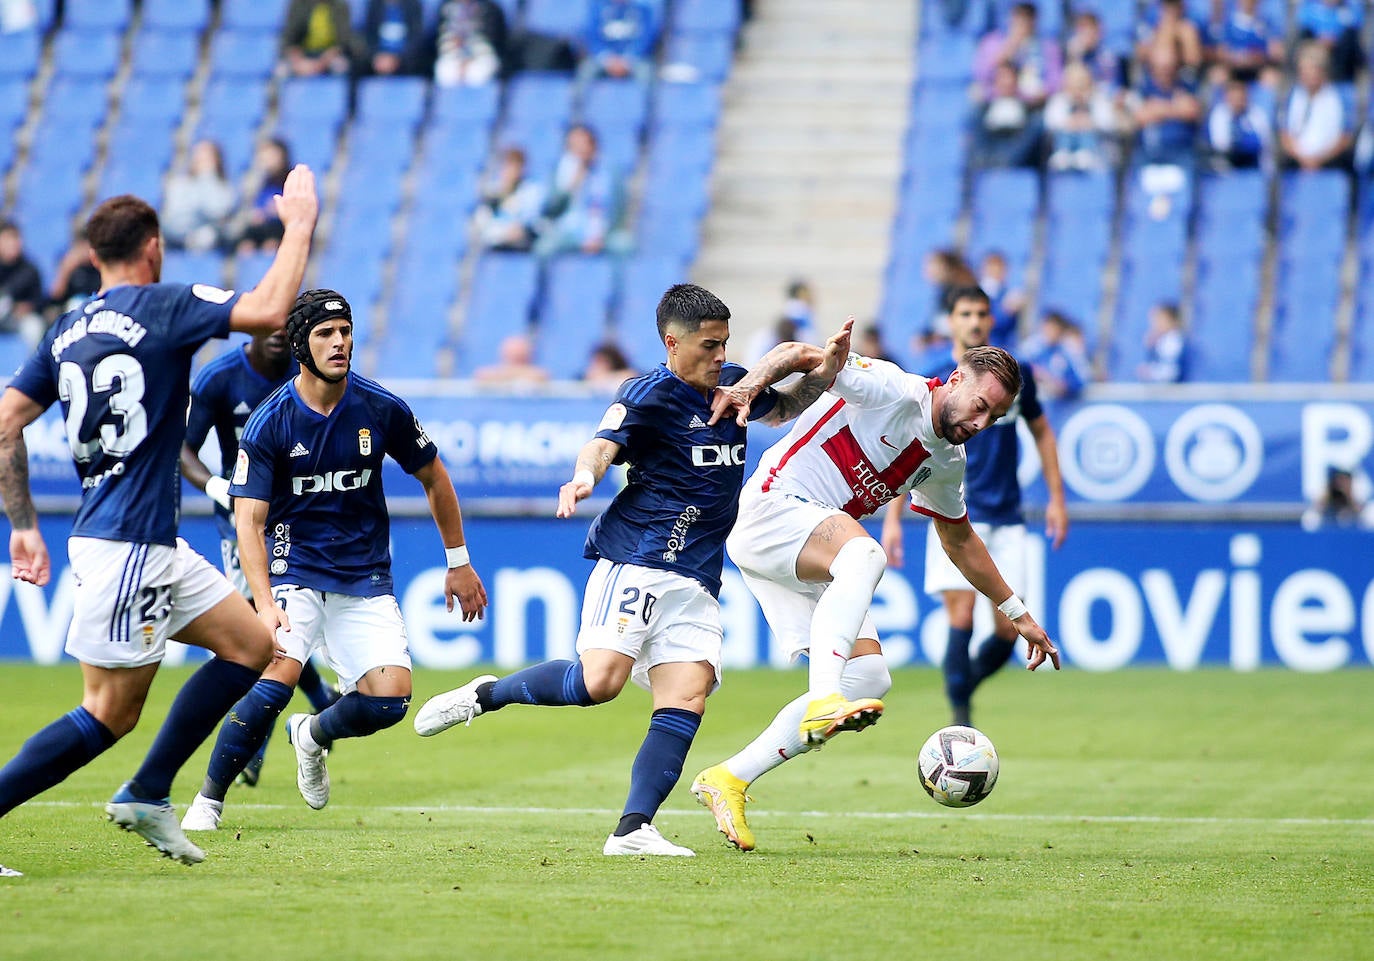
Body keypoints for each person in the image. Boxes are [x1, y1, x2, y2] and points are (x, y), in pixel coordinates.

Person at [412, 284, 851, 857]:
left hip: (696, 576)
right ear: (673, 343)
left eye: (725, 344)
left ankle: (633, 829)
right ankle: (487, 695)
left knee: (688, 695)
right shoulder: (648, 394)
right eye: (709, 345)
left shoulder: (733, 383)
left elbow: (790, 404)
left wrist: (828, 366)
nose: (720, 356)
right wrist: (584, 477)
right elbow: (601, 443)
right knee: (599, 684)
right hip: (639, 559)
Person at [0, 165, 319, 876]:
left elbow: (5, 421)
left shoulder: (66, 329)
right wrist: (298, 225)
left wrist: (21, 522)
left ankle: (148, 792)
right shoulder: (164, 304)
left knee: (254, 647)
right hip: (128, 546)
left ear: (91, 259)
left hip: (143, 540)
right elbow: (271, 311)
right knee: (108, 712)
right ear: (153, 249)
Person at [689, 331, 1059, 853]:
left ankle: (728, 778)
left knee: (870, 676)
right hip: (772, 509)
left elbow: (957, 536)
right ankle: (823, 700)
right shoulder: (890, 386)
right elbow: (799, 354)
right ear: (955, 379)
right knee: (865, 555)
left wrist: (1016, 611)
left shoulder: (946, 461)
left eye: (993, 418)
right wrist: (749, 386)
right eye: (979, 406)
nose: (980, 424)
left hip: (810, 548)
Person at [179, 289, 488, 830]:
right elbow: (249, 522)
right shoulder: (270, 423)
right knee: (274, 678)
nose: (340, 342)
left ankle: (312, 734)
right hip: (292, 570)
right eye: (325, 333)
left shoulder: (381, 407)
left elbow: (435, 478)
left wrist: (458, 561)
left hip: (363, 576)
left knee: (390, 702)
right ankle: (208, 800)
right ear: (301, 344)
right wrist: (266, 602)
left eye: (345, 331)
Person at [883, 286, 1068, 728]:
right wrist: (892, 518)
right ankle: (960, 723)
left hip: (1006, 516)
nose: (975, 321)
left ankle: (960, 689)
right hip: (951, 515)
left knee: (1008, 631)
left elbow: (1043, 431)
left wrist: (1057, 498)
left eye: (982, 313)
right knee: (961, 613)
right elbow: (903, 450)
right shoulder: (932, 376)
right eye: (965, 313)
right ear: (951, 321)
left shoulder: (1012, 379)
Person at [180, 326, 340, 789]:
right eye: (262, 324)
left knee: (274, 625)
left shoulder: (307, 372)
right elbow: (182, 447)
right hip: (245, 518)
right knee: (262, 624)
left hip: (298, 515)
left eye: (282, 326)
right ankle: (317, 697)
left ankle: (273, 726)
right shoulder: (219, 378)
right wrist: (217, 487)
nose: (272, 333)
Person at [535, 124, 622, 257]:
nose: (579, 150)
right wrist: (570, 187)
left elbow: (620, 209)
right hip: (570, 233)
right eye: (573, 146)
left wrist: (601, 234)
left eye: (582, 144)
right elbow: (551, 210)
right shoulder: (561, 171)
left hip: (603, 232)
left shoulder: (609, 173)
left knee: (623, 245)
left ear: (593, 145)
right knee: (544, 247)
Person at [1279, 43, 1353, 172]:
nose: (1308, 77)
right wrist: (1303, 159)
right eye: (1304, 72)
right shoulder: (1291, 96)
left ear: (1323, 73)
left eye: (1312, 71)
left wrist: (1320, 160)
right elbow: (1284, 134)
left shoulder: (1340, 97)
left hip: (1330, 162)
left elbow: (1345, 136)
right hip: (1297, 162)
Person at [1129, 45, 1201, 168]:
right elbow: (1139, 117)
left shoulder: (1186, 85)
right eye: (1161, 67)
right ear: (1153, 67)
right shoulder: (1143, 87)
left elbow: (1192, 111)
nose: (1166, 71)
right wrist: (1176, 108)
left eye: (1169, 66)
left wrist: (1157, 109)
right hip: (1149, 151)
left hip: (1181, 150)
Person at [162, 140, 237, 254]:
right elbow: (172, 215)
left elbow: (219, 211)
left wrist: (207, 177)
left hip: (209, 238)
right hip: (177, 237)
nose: (200, 161)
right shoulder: (178, 184)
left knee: (209, 235)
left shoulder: (224, 187)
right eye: (198, 156)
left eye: (206, 158)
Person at [1044, 61, 1120, 172]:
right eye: (1073, 85)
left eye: (1081, 85)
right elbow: (1050, 122)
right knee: (1063, 134)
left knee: (1087, 133)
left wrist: (1090, 122)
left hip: (1097, 153)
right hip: (1065, 143)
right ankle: (1062, 153)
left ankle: (1085, 153)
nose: (1077, 91)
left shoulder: (1099, 100)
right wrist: (1069, 122)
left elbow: (1109, 123)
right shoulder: (1059, 100)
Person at [474, 146, 545, 252]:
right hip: (497, 244)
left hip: (524, 244)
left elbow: (529, 219)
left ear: (522, 169)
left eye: (515, 167)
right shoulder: (492, 191)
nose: (510, 172)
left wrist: (518, 229)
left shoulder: (531, 191)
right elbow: (482, 221)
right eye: (506, 167)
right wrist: (501, 233)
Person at [577, 0, 659, 85]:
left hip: (635, 59)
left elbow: (645, 38)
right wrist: (607, 58)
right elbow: (592, 37)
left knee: (646, 73)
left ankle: (650, 99)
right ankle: (576, 98)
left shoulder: (644, 8)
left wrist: (628, 59)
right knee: (586, 70)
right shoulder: (597, 7)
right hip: (603, 59)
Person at [1206, 71, 1273, 172]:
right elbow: (1221, 144)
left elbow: (1266, 140)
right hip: (1228, 162)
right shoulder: (1219, 114)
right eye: (1235, 97)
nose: (1238, 101)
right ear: (1227, 97)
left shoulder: (1255, 113)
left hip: (1254, 163)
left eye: (1241, 97)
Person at [235, 138, 292, 255]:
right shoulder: (262, 182)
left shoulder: (292, 179)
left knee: (272, 241)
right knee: (246, 242)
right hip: (262, 226)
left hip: (281, 227)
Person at [433, 0, 508, 87]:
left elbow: (497, 38)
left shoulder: (489, 8)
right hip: (452, 55)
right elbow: (438, 36)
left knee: (478, 74)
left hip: (482, 55)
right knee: (445, 73)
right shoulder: (445, 7)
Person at [1022, 309, 1090, 400]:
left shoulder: (1067, 352)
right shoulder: (1030, 348)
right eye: (1049, 327)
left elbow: (1080, 381)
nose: (1051, 332)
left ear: (1060, 331)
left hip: (1060, 407)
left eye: (1055, 329)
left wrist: (1062, 386)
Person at [281, 0, 357, 77]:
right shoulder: (298, 4)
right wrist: (298, 60)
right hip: (304, 54)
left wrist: (322, 62)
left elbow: (344, 41)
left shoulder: (340, 5)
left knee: (341, 66)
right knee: (281, 69)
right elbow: (289, 39)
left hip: (329, 56)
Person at [0, 219, 44, 343]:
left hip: (17, 319)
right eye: (8, 239)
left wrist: (28, 307)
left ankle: (32, 363)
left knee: (33, 326)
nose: (13, 243)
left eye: (16, 238)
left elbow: (40, 301)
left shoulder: (29, 269)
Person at [361, 0, 426, 77]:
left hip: (406, 61)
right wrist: (376, 56)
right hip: (378, 60)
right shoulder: (375, 5)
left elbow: (416, 39)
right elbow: (369, 36)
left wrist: (396, 59)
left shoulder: (413, 5)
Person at [45, 229, 101, 319]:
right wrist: (66, 269)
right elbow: (55, 296)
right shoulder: (67, 262)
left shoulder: (100, 265)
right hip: (68, 312)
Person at [1137, 301, 1189, 382]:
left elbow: (1171, 372)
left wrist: (1150, 373)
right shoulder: (1162, 340)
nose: (1156, 323)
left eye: (1160, 319)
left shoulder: (1172, 340)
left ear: (1172, 321)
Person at [472, 333, 550, 386]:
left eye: (519, 354)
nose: (515, 356)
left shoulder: (538, 374)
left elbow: (540, 376)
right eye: (512, 353)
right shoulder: (496, 372)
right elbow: (480, 375)